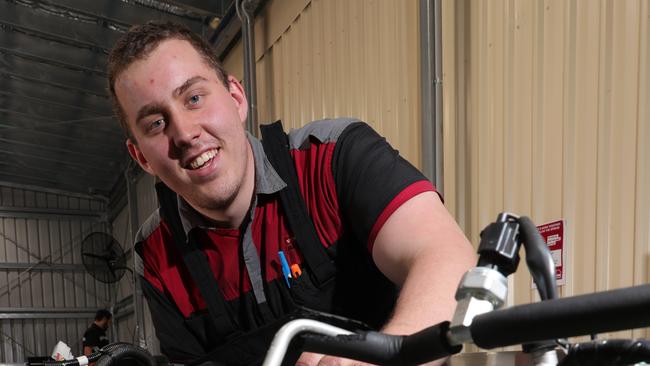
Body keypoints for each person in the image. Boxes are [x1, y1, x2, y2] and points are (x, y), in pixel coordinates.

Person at [107, 21, 476, 366]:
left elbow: (447, 257)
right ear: (141, 156)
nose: (184, 133)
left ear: (236, 98)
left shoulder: (332, 157)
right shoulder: (156, 253)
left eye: (193, 98)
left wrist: (381, 357)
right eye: (156, 123)